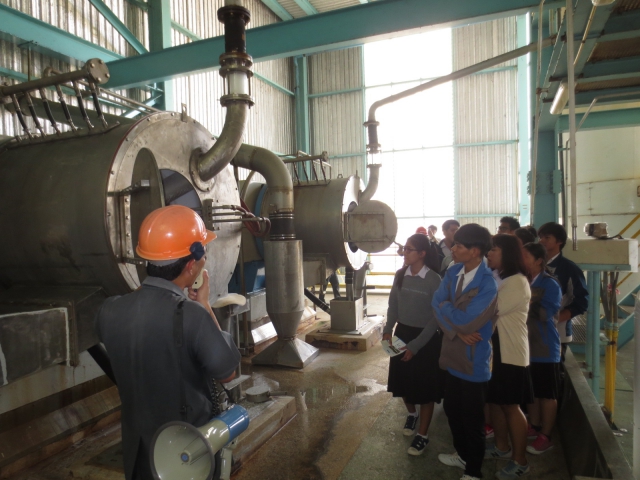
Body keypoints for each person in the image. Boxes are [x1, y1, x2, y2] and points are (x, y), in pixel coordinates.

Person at [97, 205, 241, 480]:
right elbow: (227, 371)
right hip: (185, 453)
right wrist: (205, 305)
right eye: (203, 255)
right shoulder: (192, 315)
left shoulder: (109, 310)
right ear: (191, 266)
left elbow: (138, 322)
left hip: (139, 454)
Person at [432, 223, 498, 480]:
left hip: (473, 360)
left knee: (472, 420)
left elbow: (469, 322)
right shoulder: (453, 271)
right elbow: (435, 303)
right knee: (452, 410)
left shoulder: (487, 284)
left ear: (475, 251)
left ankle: (474, 471)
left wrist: (447, 309)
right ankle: (462, 455)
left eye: (459, 245)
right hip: (452, 354)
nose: (453, 248)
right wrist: (455, 331)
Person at [383, 234, 444, 456]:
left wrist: (416, 346)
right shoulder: (401, 275)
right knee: (402, 382)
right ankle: (412, 414)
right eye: (405, 249)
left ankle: (423, 435)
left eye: (409, 249)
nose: (405, 252)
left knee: (425, 389)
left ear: (422, 253)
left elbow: (436, 318)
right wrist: (388, 330)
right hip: (402, 333)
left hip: (425, 338)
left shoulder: (434, 279)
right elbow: (393, 305)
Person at [485, 234, 533, 480]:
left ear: (507, 253)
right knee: (496, 402)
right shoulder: (500, 277)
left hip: (510, 353)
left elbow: (492, 310)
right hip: (496, 351)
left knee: (511, 406)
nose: (489, 254)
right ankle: (501, 446)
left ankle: (520, 460)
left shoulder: (516, 282)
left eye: (494, 249)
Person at [522, 242, 563, 455]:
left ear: (539, 260)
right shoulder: (523, 280)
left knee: (547, 394)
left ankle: (546, 435)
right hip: (526, 345)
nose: (521, 260)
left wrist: (521, 303)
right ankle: (535, 425)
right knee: (532, 390)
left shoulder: (550, 284)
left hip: (545, 346)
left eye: (525, 256)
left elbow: (547, 313)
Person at [537, 222, 588, 358]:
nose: (541, 241)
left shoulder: (570, 269)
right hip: (533, 331)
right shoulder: (534, 264)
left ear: (559, 241)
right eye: (540, 237)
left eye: (547, 237)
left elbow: (582, 302)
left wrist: (555, 318)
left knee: (554, 368)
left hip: (558, 332)